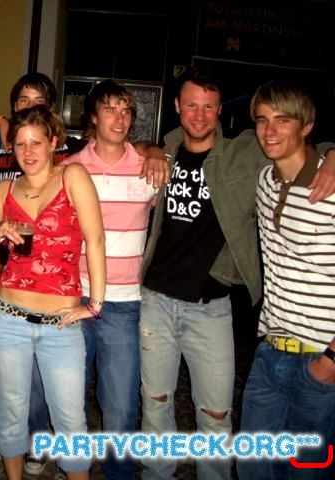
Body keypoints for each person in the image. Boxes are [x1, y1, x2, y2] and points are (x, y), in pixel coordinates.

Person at [139, 66, 335, 480]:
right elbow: (130, 146)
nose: (199, 115)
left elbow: (301, 145)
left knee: (216, 415)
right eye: (191, 105)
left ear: (220, 111)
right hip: (156, 302)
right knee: (155, 406)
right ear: (176, 107)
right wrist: (152, 149)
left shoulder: (247, 155)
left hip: (211, 307)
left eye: (209, 106)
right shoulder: (167, 151)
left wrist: (332, 152)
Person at [0, 105, 106, 480]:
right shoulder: (4, 189)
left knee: (71, 421)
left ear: (53, 142)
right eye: (20, 144)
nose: (28, 151)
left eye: (36, 142)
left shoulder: (72, 176)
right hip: (7, 319)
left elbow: (96, 240)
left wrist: (95, 304)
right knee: (11, 412)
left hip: (60, 324)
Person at [63, 80, 162, 480]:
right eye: (110, 109)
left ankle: (119, 471)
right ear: (93, 116)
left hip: (124, 302)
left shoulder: (148, 168)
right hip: (73, 297)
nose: (119, 119)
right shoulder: (70, 168)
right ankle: (75, 464)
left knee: (120, 403)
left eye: (126, 111)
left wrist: (156, 151)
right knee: (69, 394)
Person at [236, 81, 335, 480]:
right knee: (251, 467)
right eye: (262, 120)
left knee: (304, 473)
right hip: (270, 354)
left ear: (306, 126)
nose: (269, 131)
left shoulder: (330, 186)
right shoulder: (265, 181)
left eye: (282, 120)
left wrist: (331, 361)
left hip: (320, 360)